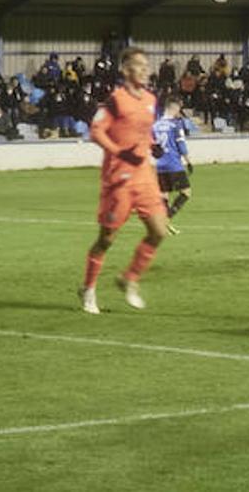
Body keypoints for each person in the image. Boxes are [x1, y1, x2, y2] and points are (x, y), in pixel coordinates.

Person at [78, 47, 170, 314]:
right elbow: (96, 131)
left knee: (159, 232)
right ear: (125, 70)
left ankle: (129, 278)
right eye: (138, 65)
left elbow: (142, 130)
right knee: (106, 239)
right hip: (118, 179)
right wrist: (120, 152)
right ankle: (89, 288)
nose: (145, 69)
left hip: (145, 177)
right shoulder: (115, 100)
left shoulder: (151, 99)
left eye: (146, 65)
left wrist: (153, 145)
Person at [153, 96, 194, 235]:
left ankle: (163, 223)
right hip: (173, 164)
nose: (179, 112)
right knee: (186, 192)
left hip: (160, 165)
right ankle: (166, 219)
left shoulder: (156, 125)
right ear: (174, 108)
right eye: (178, 109)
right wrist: (188, 161)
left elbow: (152, 145)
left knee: (163, 195)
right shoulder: (176, 124)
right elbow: (181, 144)